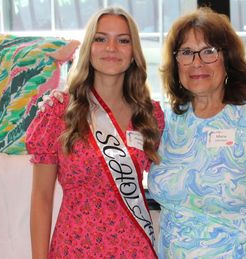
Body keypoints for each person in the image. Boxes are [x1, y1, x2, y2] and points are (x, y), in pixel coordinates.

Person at [147, 7, 246, 258]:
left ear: (228, 60)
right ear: (176, 62)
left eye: (209, 51)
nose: (197, 62)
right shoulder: (166, 121)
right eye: (187, 52)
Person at [26, 6, 164, 258]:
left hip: (134, 250)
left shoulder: (150, 115)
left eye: (123, 40)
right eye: (101, 39)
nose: (111, 48)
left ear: (134, 53)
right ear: (89, 48)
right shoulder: (57, 112)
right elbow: (42, 197)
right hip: (74, 247)